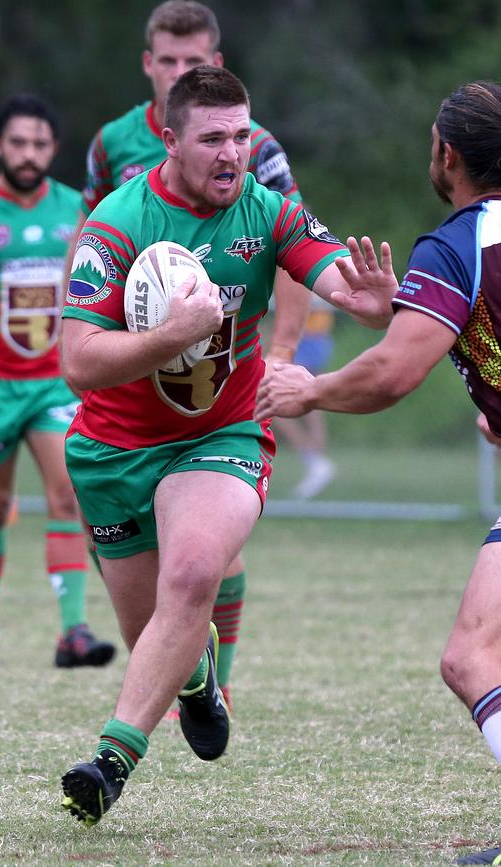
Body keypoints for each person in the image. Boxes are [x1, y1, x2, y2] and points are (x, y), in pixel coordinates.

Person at [58, 65, 395, 827]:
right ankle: (194, 673)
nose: (232, 153)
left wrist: (368, 303)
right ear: (170, 141)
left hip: (223, 432)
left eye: (242, 135)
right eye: (213, 138)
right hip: (112, 450)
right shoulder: (116, 222)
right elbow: (77, 360)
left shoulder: (267, 211)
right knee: (153, 633)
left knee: (195, 571)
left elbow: (337, 276)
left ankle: (110, 760)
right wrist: (168, 336)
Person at [255, 80, 501, 866]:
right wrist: (408, 308)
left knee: (473, 658)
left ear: (446, 153)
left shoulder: (460, 243)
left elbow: (393, 373)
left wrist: (311, 388)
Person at [64, 0, 312, 712]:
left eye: (194, 61)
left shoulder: (249, 146)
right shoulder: (113, 146)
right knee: (118, 548)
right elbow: (85, 245)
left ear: (218, 64)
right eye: (169, 61)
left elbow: (292, 248)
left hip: (214, 391)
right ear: (149, 65)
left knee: (208, 552)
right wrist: (79, 327)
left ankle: (218, 677)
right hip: (122, 380)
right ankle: (191, 670)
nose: (180, 70)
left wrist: (284, 354)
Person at [0, 94, 116, 669]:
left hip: (55, 384)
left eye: (39, 144)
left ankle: (74, 634)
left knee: (67, 494)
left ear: (53, 149)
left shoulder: (77, 211)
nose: (28, 154)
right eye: (18, 143)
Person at [269, 297, 336, 499]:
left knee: (275, 401)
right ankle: (316, 462)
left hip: (307, 337)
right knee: (306, 402)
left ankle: (315, 462)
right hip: (307, 337)